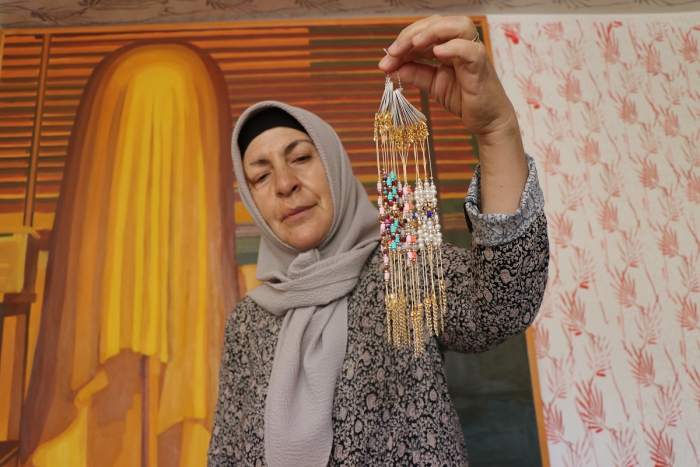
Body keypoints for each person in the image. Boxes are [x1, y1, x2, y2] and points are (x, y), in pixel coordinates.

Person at [207, 14, 549, 467]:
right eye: (261, 176)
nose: (285, 184)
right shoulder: (248, 323)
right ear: (251, 200)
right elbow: (227, 455)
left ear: (334, 165)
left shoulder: (403, 266)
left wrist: (495, 130)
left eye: (301, 158)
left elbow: (503, 303)